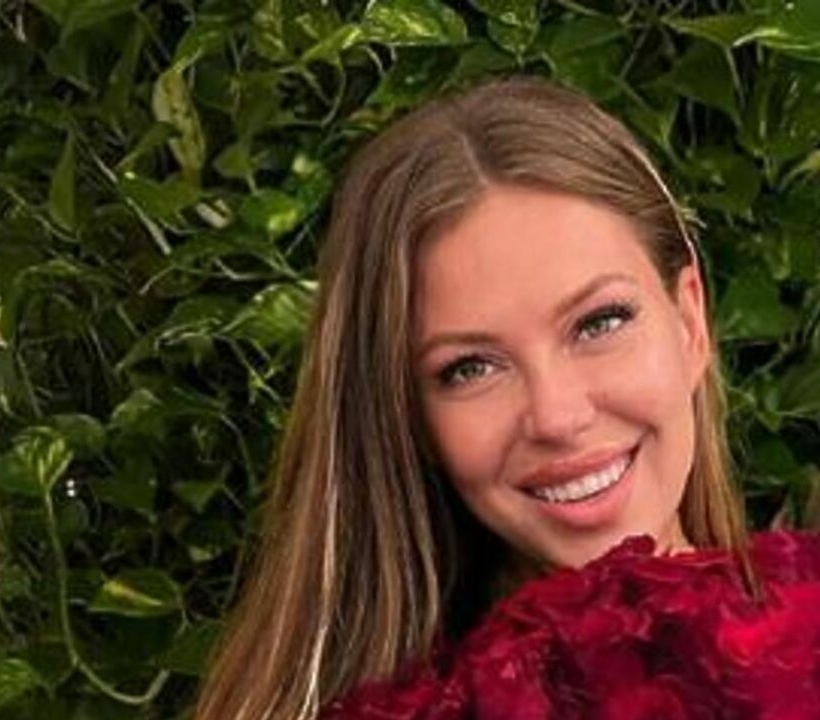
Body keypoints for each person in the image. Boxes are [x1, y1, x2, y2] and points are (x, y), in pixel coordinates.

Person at [192, 73, 756, 720]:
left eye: (599, 323)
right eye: (470, 368)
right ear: (410, 418)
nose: (557, 415)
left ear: (690, 323)